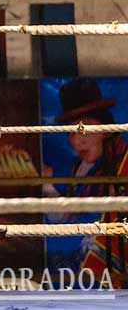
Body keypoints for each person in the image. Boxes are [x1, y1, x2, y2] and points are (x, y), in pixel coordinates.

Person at [42, 79, 126, 285]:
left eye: (82, 130)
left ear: (106, 129)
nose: (77, 141)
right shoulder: (77, 168)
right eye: (71, 133)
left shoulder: (123, 164)